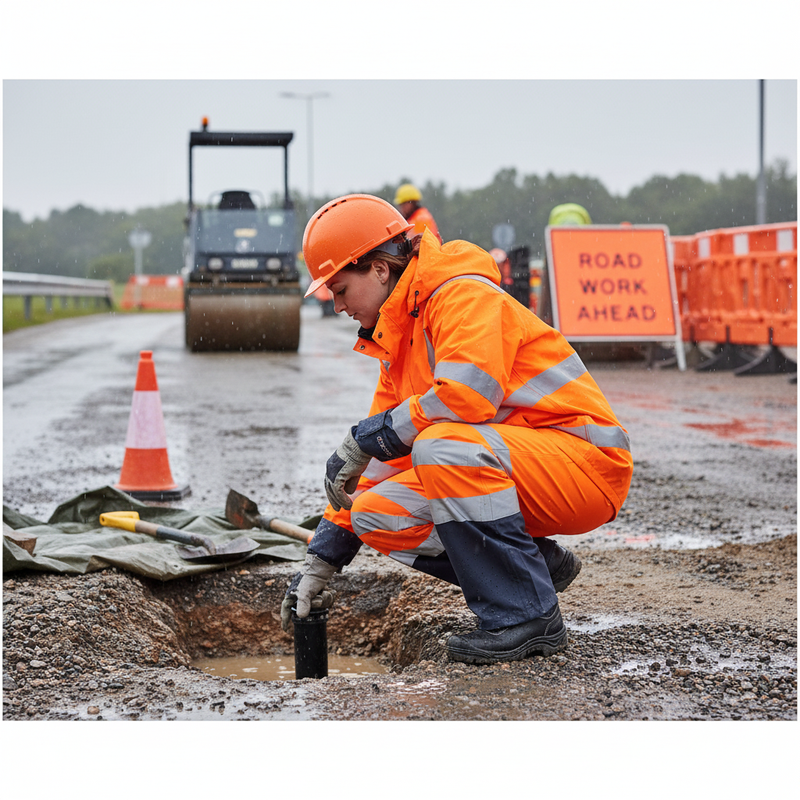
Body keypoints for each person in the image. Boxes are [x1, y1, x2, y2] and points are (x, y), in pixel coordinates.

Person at [281, 194, 633, 665]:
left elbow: (469, 395)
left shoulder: (458, 293)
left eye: (340, 289)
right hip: (523, 467)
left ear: (380, 269)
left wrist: (372, 435)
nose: (337, 304)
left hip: (585, 465)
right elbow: (378, 467)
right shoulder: (400, 336)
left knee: (439, 446)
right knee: (373, 512)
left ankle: (526, 617)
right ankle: (535, 567)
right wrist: (319, 563)